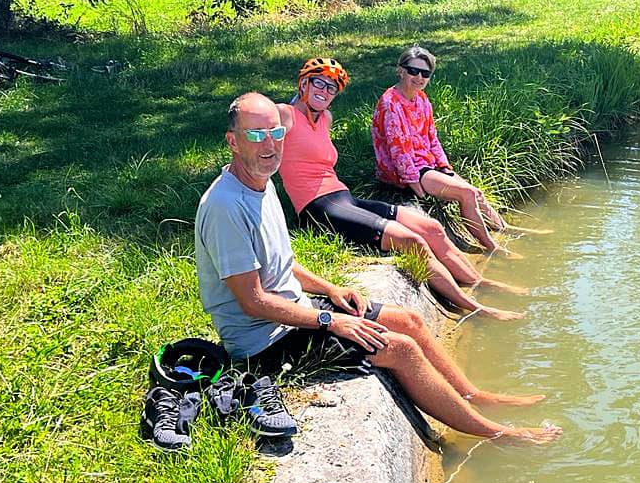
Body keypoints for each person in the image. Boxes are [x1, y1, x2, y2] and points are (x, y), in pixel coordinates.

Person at [194, 92, 562, 444]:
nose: (269, 144)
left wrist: (330, 290)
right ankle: (499, 434)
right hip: (264, 344)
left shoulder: (261, 183)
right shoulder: (226, 207)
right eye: (256, 134)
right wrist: (330, 320)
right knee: (400, 349)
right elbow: (253, 301)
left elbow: (281, 264)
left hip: (296, 313)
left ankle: (473, 395)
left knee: (409, 321)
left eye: (276, 132)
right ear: (233, 141)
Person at [276, 58, 524, 322]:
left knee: (432, 228)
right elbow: (255, 121)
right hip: (319, 208)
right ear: (304, 83)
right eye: (319, 83)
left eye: (331, 88)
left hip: (344, 197)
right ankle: (476, 309)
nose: (324, 91)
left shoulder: (325, 118)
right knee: (412, 241)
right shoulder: (284, 114)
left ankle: (479, 282)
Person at [372, 47, 549, 254]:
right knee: (467, 194)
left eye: (425, 73)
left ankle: (504, 228)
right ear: (401, 70)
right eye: (413, 71)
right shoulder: (390, 103)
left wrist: (444, 167)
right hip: (406, 173)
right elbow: (399, 153)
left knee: (476, 193)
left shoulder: (422, 99)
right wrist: (417, 188)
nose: (419, 77)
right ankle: (493, 249)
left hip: (426, 164)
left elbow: (432, 138)